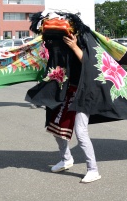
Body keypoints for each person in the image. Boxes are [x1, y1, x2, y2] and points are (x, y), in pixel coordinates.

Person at [28, 12, 101, 183]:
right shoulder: (54, 43)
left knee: (81, 132)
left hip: (82, 91)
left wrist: (75, 46)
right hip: (62, 90)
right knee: (55, 128)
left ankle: (93, 169)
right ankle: (66, 158)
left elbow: (89, 63)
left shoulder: (83, 40)